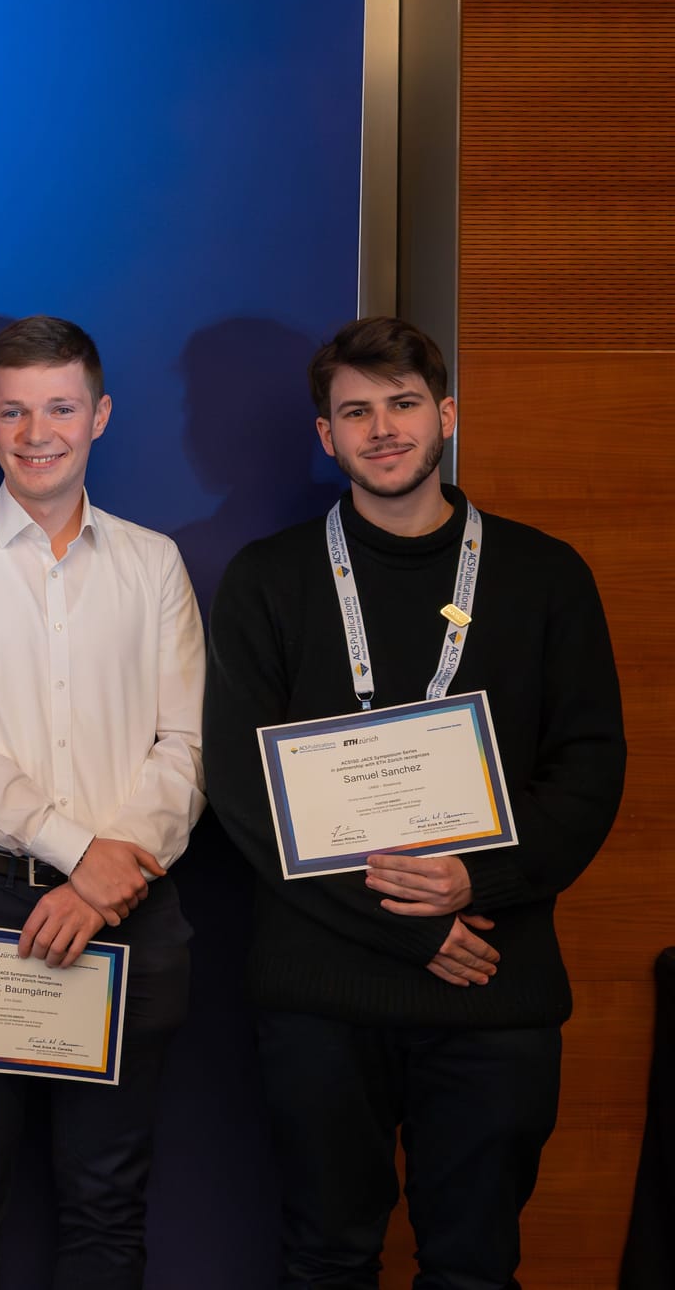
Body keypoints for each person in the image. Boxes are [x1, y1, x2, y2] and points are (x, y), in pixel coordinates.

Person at [203, 317, 623, 1288]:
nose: (380, 428)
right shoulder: (268, 579)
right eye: (355, 411)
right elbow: (241, 791)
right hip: (321, 989)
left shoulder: (543, 574)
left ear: (444, 415)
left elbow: (589, 766)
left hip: (491, 972)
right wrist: (405, 929)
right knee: (325, 1257)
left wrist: (475, 878)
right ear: (325, 436)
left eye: (400, 404)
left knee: (475, 1265)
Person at [0, 314, 204, 1290]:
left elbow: (183, 748)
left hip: (129, 910)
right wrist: (79, 850)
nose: (38, 432)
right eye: (15, 411)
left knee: (106, 1196)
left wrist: (104, 881)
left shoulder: (153, 563)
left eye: (60, 407)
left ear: (99, 414)